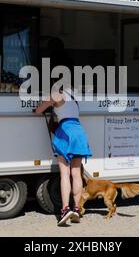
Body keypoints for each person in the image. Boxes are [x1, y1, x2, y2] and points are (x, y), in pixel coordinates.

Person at [35, 87, 92, 226]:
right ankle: (77, 209)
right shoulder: (73, 95)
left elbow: (38, 110)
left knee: (65, 174)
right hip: (79, 132)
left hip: (66, 132)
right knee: (76, 173)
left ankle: (65, 210)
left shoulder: (56, 94)